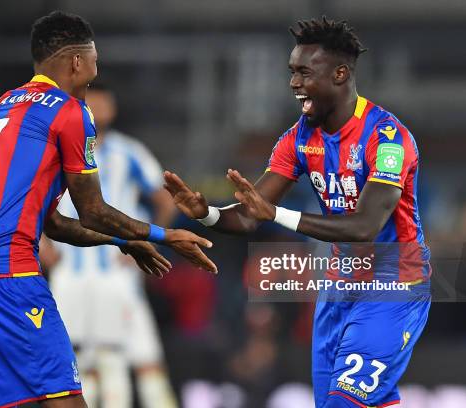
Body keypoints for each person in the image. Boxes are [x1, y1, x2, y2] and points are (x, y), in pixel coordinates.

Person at [0, 11, 216, 408]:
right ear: (76, 61)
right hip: (7, 272)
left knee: (3, 402)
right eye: (95, 62)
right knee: (66, 400)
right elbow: (93, 210)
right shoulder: (68, 112)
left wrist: (124, 241)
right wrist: (163, 235)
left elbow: (53, 222)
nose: (95, 73)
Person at [164, 17, 430, 408]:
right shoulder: (299, 138)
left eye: (305, 73)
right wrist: (208, 215)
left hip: (395, 283)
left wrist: (275, 213)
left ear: (340, 74)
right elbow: (252, 214)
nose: (293, 83)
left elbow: (364, 226)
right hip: (340, 286)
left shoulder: (388, 137)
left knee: (345, 401)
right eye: (292, 72)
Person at [41, 84, 178, 408]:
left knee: (126, 353)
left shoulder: (128, 151)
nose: (99, 108)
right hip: (69, 271)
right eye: (92, 101)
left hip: (115, 272)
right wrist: (42, 247)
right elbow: (34, 203)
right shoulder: (56, 152)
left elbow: (165, 199)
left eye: (105, 101)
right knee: (75, 359)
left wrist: (147, 242)